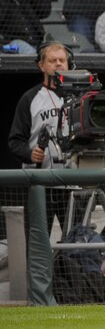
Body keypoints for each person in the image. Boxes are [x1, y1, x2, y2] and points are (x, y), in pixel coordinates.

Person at [8, 42, 74, 234]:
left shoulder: (80, 96)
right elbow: (15, 141)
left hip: (74, 183)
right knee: (37, 239)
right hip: (40, 185)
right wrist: (30, 154)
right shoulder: (30, 98)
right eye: (53, 61)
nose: (59, 64)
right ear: (42, 65)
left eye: (62, 60)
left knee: (77, 241)